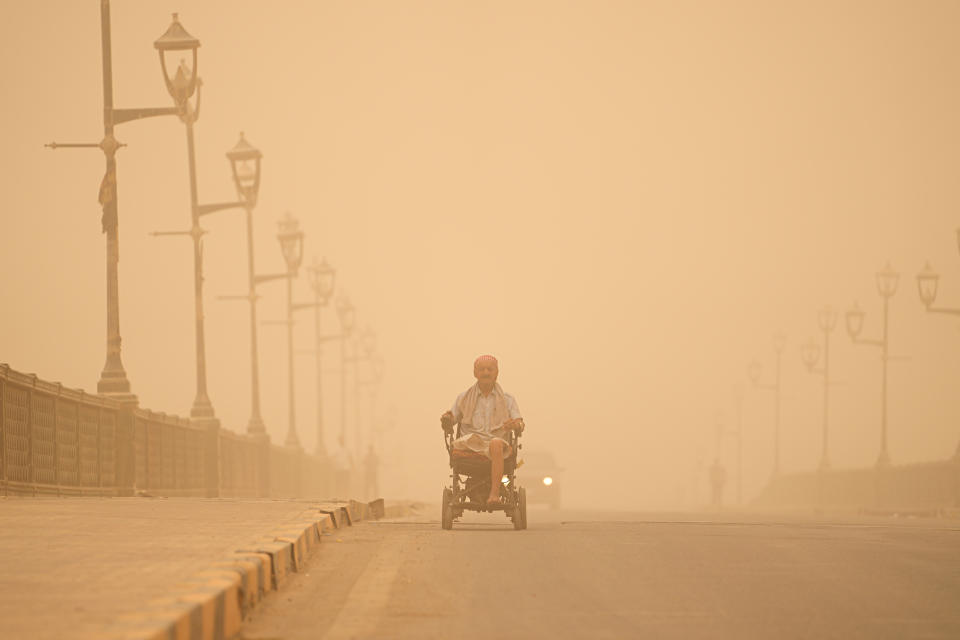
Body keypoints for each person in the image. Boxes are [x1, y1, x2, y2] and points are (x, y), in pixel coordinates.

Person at [441, 355, 524, 506]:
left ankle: (494, 495)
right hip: (471, 443)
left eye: (489, 369)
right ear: (475, 373)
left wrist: (515, 425)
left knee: (495, 443)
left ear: (496, 372)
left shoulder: (508, 399)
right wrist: (446, 419)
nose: (486, 373)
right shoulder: (464, 398)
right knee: (475, 440)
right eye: (482, 369)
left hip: (497, 446)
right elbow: (452, 418)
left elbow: (519, 423)